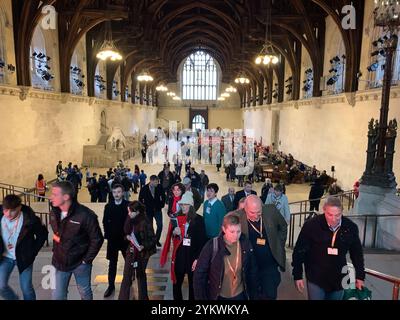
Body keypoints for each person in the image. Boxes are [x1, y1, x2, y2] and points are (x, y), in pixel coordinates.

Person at [292, 196, 365, 300]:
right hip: (316, 277)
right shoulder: (311, 226)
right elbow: (299, 251)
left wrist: (360, 276)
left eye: (338, 215)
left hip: (338, 278)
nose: (334, 219)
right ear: (324, 210)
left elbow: (357, 254)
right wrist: (297, 275)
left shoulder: (350, 227)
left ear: (342, 211)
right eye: (330, 215)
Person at [49, 181, 104, 300]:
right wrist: (56, 251)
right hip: (60, 262)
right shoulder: (54, 212)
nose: (50, 197)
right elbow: (57, 234)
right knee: (58, 296)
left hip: (80, 263)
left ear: (66, 197)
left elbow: (97, 239)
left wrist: (86, 260)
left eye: (54, 194)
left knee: (85, 292)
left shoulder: (86, 215)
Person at [193, 213, 258, 300]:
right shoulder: (212, 246)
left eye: (238, 231)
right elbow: (199, 275)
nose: (236, 235)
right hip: (218, 296)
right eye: (232, 232)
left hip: (240, 295)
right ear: (224, 229)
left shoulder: (245, 244)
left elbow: (252, 270)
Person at [235, 195, 287, 300]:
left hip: (269, 265)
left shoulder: (271, 210)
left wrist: (279, 243)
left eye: (258, 212)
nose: (256, 216)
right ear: (245, 209)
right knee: (252, 294)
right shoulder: (236, 217)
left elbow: (283, 226)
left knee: (270, 294)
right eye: (252, 213)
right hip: (250, 266)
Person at [160, 192, 207, 300]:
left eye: (185, 205)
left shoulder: (198, 220)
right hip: (180, 255)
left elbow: (202, 241)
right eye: (181, 205)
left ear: (191, 206)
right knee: (176, 283)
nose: (183, 207)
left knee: (192, 284)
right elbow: (170, 236)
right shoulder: (177, 218)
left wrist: (198, 258)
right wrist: (174, 233)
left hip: (192, 256)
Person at [0, 195, 48, 300]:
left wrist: (32, 251)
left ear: (19, 208)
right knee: (1, 286)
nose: (8, 214)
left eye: (12, 211)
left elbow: (43, 234)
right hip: (5, 257)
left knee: (26, 288)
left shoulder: (30, 219)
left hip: (23, 257)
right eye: (5, 210)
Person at [119, 201, 157, 300]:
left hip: (143, 253)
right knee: (126, 276)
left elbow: (153, 239)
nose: (129, 214)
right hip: (131, 250)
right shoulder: (129, 218)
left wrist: (143, 246)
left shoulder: (145, 221)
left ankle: (143, 297)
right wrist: (126, 237)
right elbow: (126, 232)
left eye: (131, 212)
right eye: (128, 211)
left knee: (140, 275)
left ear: (138, 211)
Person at [102, 184, 130, 297]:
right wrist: (108, 234)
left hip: (125, 240)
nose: (116, 194)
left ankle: (128, 282)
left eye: (118, 192)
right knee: (112, 264)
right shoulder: (108, 206)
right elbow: (105, 222)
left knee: (128, 262)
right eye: (114, 192)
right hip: (113, 240)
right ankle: (111, 286)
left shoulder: (128, 205)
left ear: (122, 193)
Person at [138, 175, 166, 247]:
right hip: (148, 211)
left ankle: (156, 240)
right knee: (150, 227)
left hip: (157, 210)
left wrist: (162, 204)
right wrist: (143, 208)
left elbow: (163, 196)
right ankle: (152, 241)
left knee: (160, 225)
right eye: (156, 182)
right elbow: (140, 200)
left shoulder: (159, 187)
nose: (157, 183)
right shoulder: (144, 189)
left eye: (158, 182)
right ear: (151, 181)